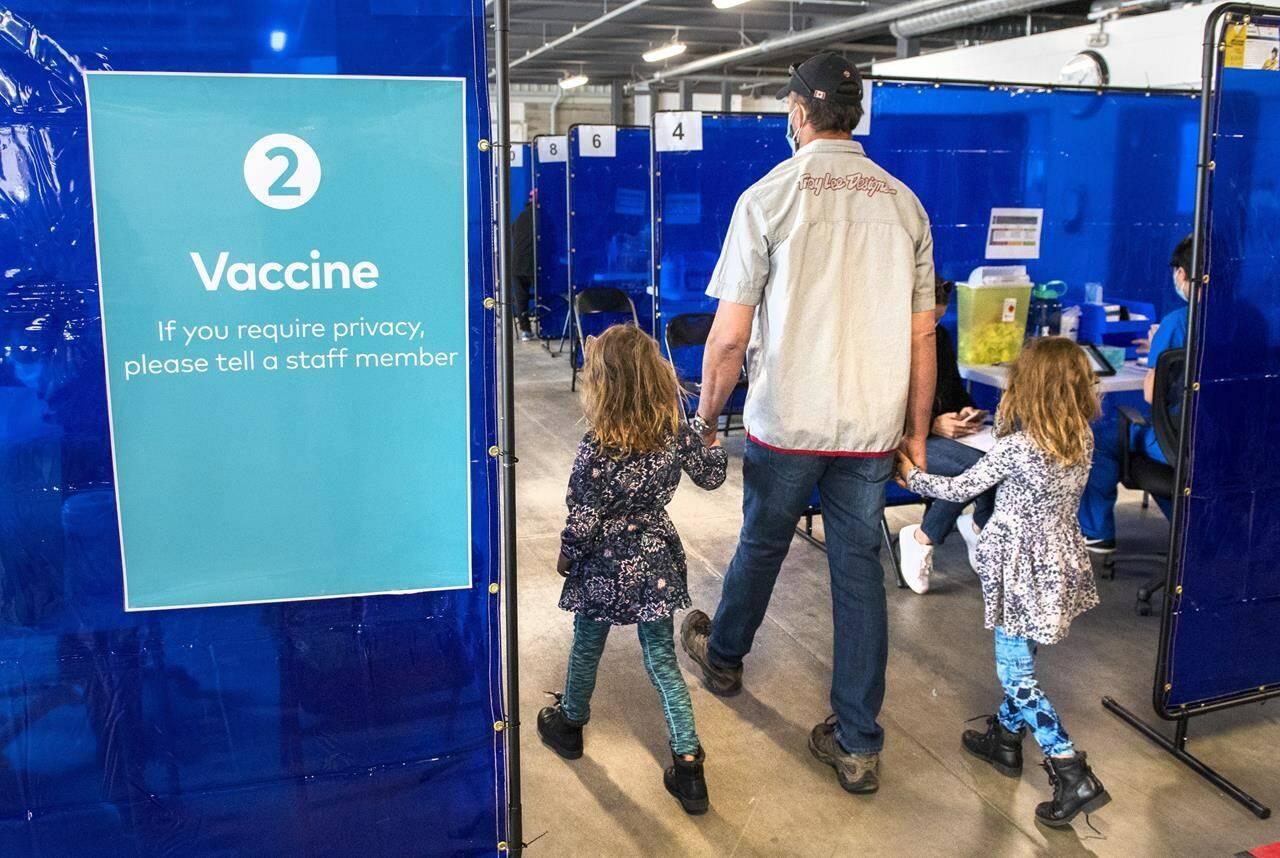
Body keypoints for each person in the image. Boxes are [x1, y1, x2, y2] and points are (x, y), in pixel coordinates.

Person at [677, 51, 938, 796]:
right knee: (860, 571)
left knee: (761, 543)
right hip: (869, 430)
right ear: (855, 116)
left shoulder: (769, 196)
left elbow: (727, 338)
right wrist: (914, 434)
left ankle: (724, 658)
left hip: (788, 421)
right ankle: (857, 744)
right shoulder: (904, 204)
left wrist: (705, 417)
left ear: (797, 115)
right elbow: (924, 336)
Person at [898, 337, 1110, 829]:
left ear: (1027, 388)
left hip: (1018, 572)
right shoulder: (1080, 438)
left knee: (1016, 674)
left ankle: (1069, 768)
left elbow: (957, 489)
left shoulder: (1017, 448)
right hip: (1055, 566)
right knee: (1025, 658)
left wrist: (909, 475)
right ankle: (1005, 741)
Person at [536, 324, 728, 815]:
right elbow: (711, 475)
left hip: (601, 564)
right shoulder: (673, 431)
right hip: (654, 562)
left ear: (604, 384)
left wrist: (566, 556)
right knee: (662, 660)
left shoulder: (597, 448)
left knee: (587, 644)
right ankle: (689, 768)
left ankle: (571, 724)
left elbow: (583, 517)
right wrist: (708, 433)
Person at [1078, 234, 1191, 553]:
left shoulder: (1177, 322)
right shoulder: (1249, 316)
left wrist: (1160, 344)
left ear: (1181, 273)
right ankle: (1191, 533)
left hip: (1177, 438)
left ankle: (1097, 532)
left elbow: (1152, 394)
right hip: (1225, 440)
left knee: (1099, 437)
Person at [898, 275, 998, 593]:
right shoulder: (884, 342)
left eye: (939, 319)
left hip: (937, 436)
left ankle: (979, 526)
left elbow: (952, 389)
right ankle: (921, 538)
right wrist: (931, 426)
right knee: (974, 471)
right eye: (929, 319)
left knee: (1000, 461)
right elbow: (878, 414)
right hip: (898, 442)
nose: (933, 327)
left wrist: (967, 411)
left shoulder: (938, 337)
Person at [511, 191, 536, 341]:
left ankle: (525, 330)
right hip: (534, 264)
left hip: (517, 264)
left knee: (521, 299)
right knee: (544, 295)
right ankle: (547, 327)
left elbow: (513, 234)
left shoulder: (520, 216)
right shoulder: (543, 217)